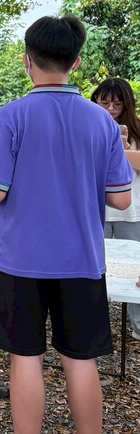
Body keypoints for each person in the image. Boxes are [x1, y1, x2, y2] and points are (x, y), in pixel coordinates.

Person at [0, 15, 132, 434]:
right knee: (81, 361)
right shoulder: (101, 122)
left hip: (20, 260)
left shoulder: (12, 116)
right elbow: (120, 199)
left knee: (25, 358)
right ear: (76, 63)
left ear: (27, 61)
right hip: (81, 259)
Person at [90, 78, 140, 339]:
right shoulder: (86, 125)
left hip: (129, 213)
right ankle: (93, 325)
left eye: (117, 104)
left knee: (135, 272)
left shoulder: (135, 129)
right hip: (94, 210)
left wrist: (120, 148)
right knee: (92, 268)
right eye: (105, 102)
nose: (110, 108)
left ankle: (138, 325)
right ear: (95, 99)